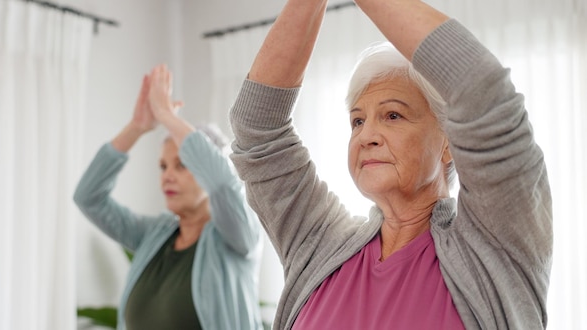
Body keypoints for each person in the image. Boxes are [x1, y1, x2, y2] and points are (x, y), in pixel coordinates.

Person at [228, 0, 552, 329]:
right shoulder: (322, 244)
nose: (366, 135)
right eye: (357, 121)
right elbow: (258, 131)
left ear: (448, 142)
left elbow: (482, 90)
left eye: (392, 115)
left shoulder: (493, 249)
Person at [74, 64, 263, 330]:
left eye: (181, 164)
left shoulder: (236, 237)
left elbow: (223, 184)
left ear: (205, 165)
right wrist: (137, 127)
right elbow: (88, 197)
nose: (167, 176)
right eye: (163, 166)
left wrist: (166, 115)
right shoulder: (154, 235)